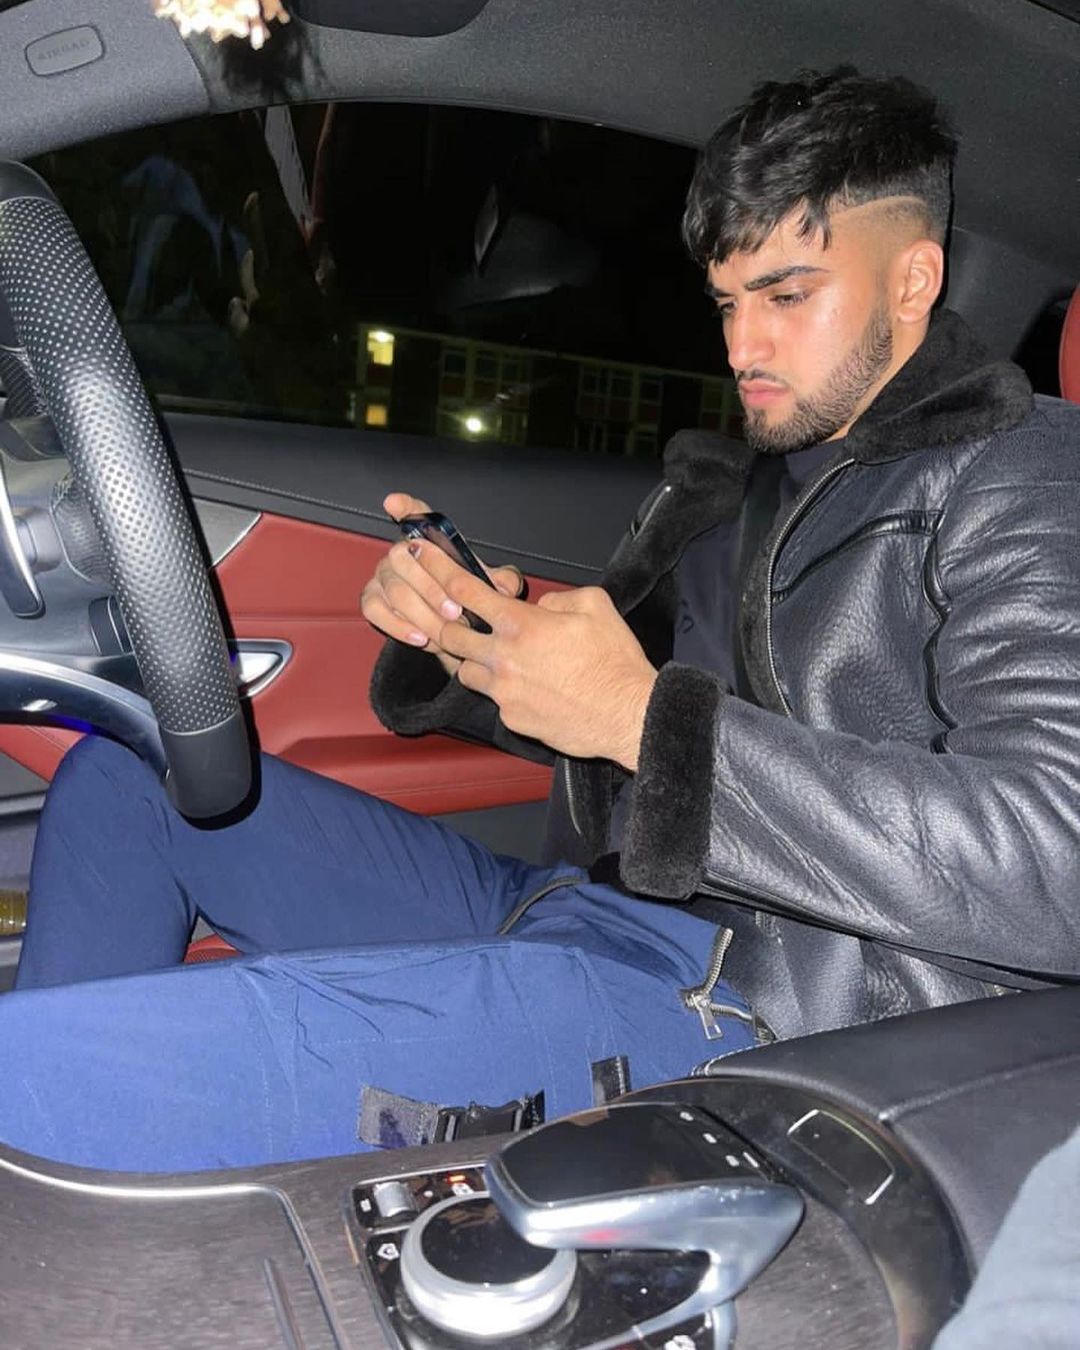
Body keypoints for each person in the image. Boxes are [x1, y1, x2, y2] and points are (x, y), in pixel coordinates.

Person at [2, 68, 1078, 1175]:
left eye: (787, 296)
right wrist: (471, 643)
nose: (741, 347)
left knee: (58, 1078)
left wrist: (639, 718)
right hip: (562, 902)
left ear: (913, 280)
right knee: (121, 782)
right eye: (727, 302)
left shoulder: (1023, 472)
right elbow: (615, 734)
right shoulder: (735, 489)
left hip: (749, 999)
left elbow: (1058, 855)